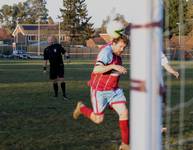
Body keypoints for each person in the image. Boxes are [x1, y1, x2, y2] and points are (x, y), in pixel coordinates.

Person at [73, 35, 130, 150]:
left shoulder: (116, 52)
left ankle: (125, 144)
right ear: (113, 44)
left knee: (124, 112)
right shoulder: (106, 53)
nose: (122, 50)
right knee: (98, 119)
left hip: (113, 90)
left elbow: (115, 38)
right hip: (100, 91)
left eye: (124, 47)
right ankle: (81, 108)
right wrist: (114, 66)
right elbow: (97, 69)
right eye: (120, 47)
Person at [43, 35, 68, 100]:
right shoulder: (46, 50)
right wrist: (44, 68)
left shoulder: (58, 46)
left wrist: (67, 57)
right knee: (54, 81)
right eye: (49, 39)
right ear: (47, 41)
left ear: (53, 40)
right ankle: (56, 95)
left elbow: (65, 52)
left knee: (62, 79)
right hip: (52, 67)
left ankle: (64, 95)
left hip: (60, 65)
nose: (50, 41)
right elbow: (45, 60)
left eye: (51, 39)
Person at [161, 52, 179, 133]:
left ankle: (159, 126)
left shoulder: (158, 51)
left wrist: (173, 72)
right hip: (145, 84)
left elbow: (165, 64)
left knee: (160, 105)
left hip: (158, 84)